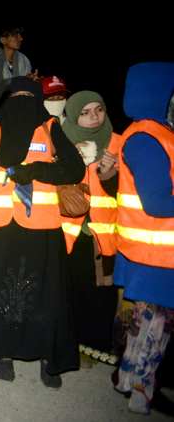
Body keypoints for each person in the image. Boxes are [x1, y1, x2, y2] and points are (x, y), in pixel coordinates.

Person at [0, 54, 85, 388]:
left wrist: (38, 169)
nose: (23, 103)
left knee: (45, 295)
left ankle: (46, 357)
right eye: (16, 97)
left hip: (40, 227)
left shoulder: (49, 127)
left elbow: (74, 168)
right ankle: (3, 353)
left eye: (31, 97)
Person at [113, 62, 174, 415]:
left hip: (156, 250)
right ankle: (140, 394)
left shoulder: (154, 134)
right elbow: (157, 201)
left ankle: (128, 383)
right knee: (155, 329)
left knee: (146, 326)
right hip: (155, 254)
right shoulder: (147, 138)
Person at [61, 91, 121, 368]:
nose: (94, 116)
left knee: (102, 294)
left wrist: (110, 174)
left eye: (99, 109)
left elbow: (132, 193)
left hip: (105, 231)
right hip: (69, 231)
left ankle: (96, 348)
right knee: (71, 290)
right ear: (73, 115)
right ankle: (68, 344)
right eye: (85, 112)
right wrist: (71, 161)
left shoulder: (119, 143)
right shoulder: (59, 140)